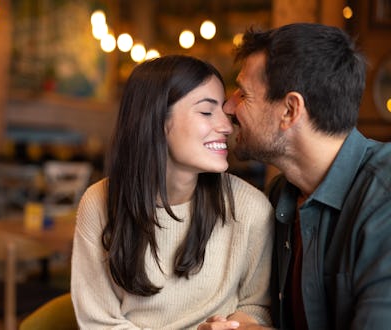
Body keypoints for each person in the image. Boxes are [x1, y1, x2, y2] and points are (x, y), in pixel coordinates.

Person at [201, 23, 391, 330]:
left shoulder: (384, 193)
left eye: (243, 94)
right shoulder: (279, 196)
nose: (228, 106)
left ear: (290, 110)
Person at [70, 55, 274, 329]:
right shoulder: (99, 203)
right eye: (206, 112)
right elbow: (99, 323)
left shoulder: (251, 209)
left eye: (223, 112)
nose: (226, 126)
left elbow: (257, 306)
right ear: (155, 120)